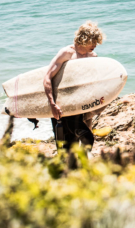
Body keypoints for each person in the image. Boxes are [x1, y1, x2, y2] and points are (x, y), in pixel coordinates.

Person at [44, 21, 105, 151]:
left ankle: (82, 165)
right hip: (62, 106)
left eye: (96, 42)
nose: (95, 45)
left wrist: (98, 102)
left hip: (81, 106)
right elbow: (47, 77)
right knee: (66, 145)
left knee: (83, 139)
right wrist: (52, 104)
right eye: (93, 41)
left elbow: (93, 82)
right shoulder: (66, 53)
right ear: (84, 39)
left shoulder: (92, 56)